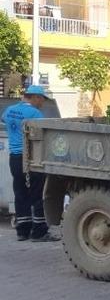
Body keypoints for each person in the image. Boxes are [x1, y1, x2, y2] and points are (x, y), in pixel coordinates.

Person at [1, 85, 60, 241]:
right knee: (38, 193)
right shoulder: (35, 113)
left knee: (20, 193)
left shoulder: (9, 110)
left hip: (14, 158)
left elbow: (4, 120)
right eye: (42, 100)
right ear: (35, 97)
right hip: (31, 158)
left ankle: (22, 231)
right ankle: (39, 232)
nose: (42, 103)